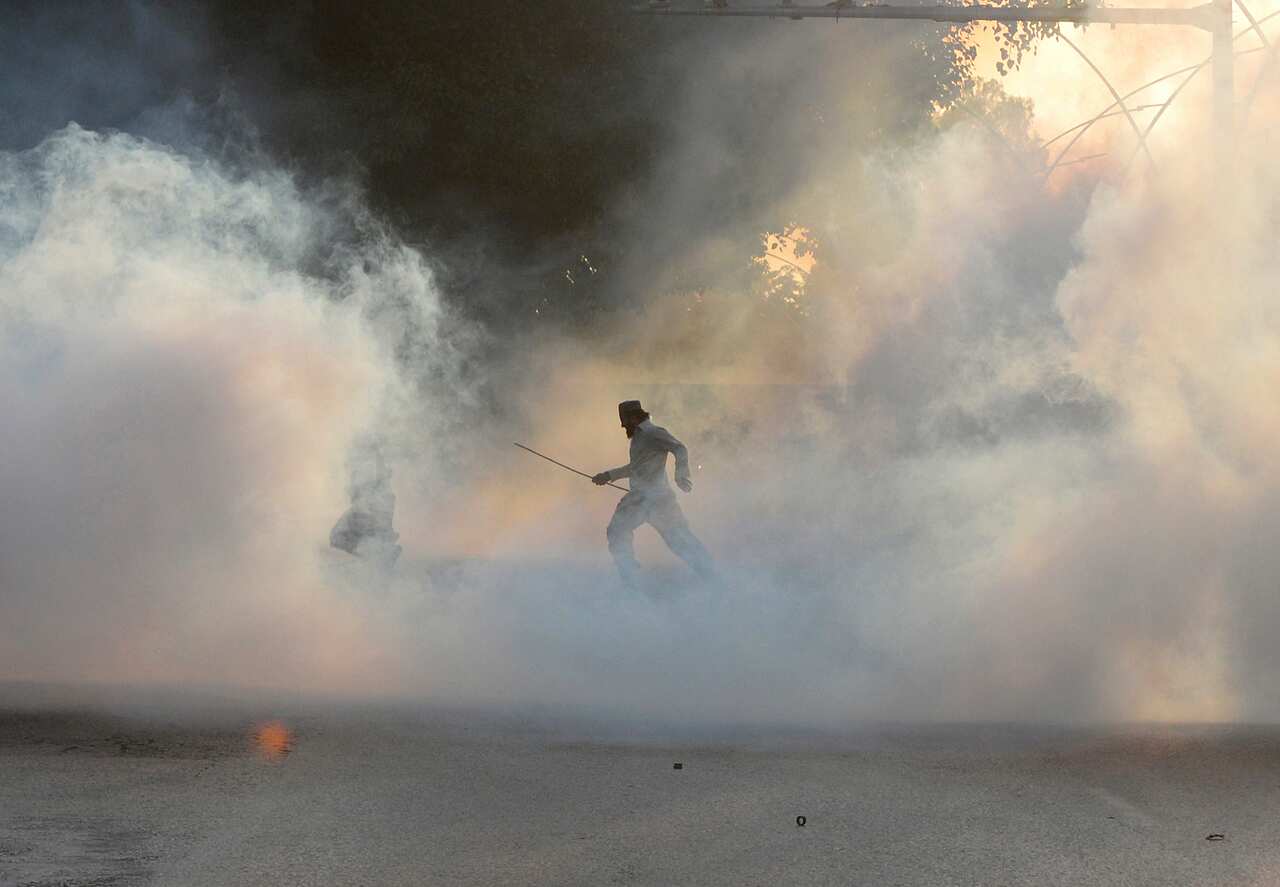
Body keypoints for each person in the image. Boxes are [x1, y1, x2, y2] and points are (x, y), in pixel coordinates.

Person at [593, 400, 714, 588]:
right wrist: (609, 475)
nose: (622, 425)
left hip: (648, 498)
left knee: (620, 531)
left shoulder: (652, 433)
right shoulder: (640, 438)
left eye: (624, 420)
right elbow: (636, 468)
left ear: (633, 417)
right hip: (655, 498)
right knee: (679, 540)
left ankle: (630, 578)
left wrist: (680, 474)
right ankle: (712, 577)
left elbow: (680, 448)